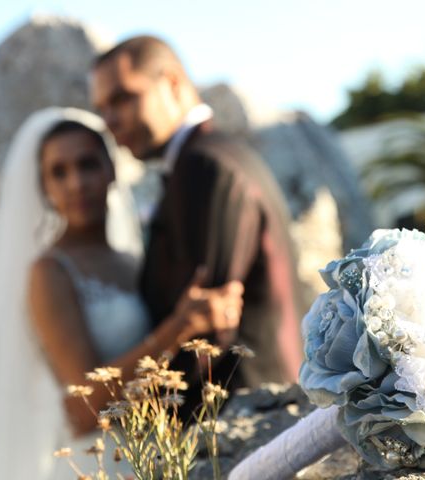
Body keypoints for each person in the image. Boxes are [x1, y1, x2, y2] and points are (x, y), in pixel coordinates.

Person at [0, 107, 244, 479]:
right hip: (99, 462)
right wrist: (179, 326)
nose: (77, 183)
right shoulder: (49, 272)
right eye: (59, 172)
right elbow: (82, 407)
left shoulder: (132, 259)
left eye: (87, 164)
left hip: (159, 450)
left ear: (111, 170)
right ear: (44, 187)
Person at [91, 35, 305, 417]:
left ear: (172, 83)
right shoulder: (212, 156)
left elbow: (210, 325)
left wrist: (154, 421)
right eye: (102, 108)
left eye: (122, 98)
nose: (109, 121)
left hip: (243, 415)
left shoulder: (205, 166)